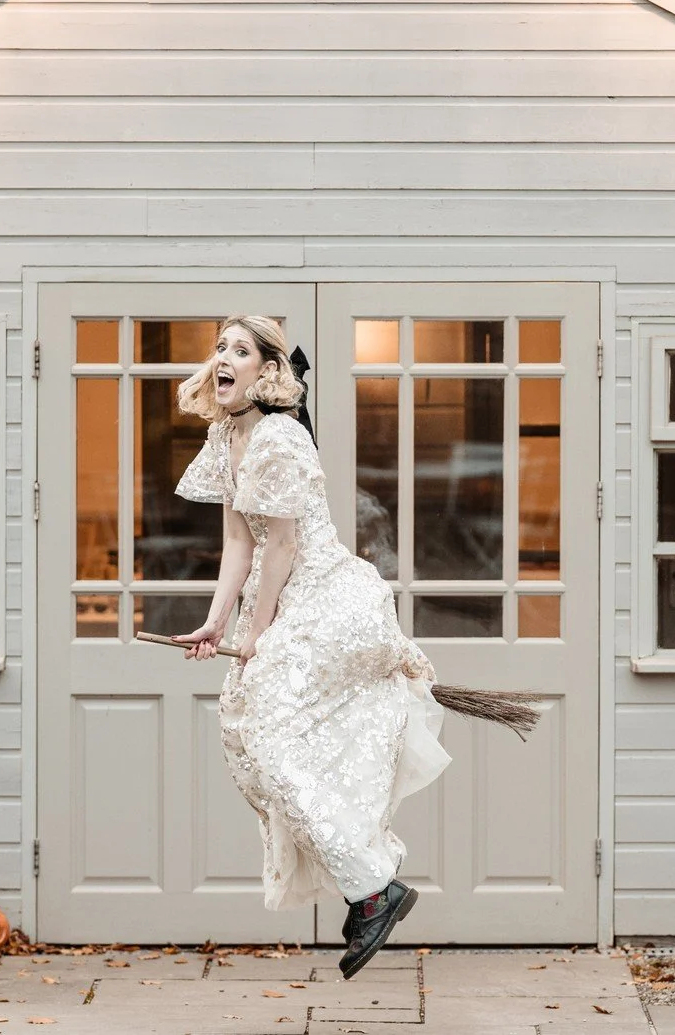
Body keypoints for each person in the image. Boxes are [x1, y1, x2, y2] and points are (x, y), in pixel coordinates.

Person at [172, 315, 449, 979]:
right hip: (277, 601)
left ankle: (373, 884)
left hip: (322, 599)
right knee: (256, 743)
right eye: (220, 348)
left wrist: (258, 632)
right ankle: (370, 887)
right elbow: (241, 542)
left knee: (270, 740)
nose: (224, 358)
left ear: (267, 368)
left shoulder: (280, 435)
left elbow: (287, 545)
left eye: (241, 349)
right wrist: (219, 623)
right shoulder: (227, 433)